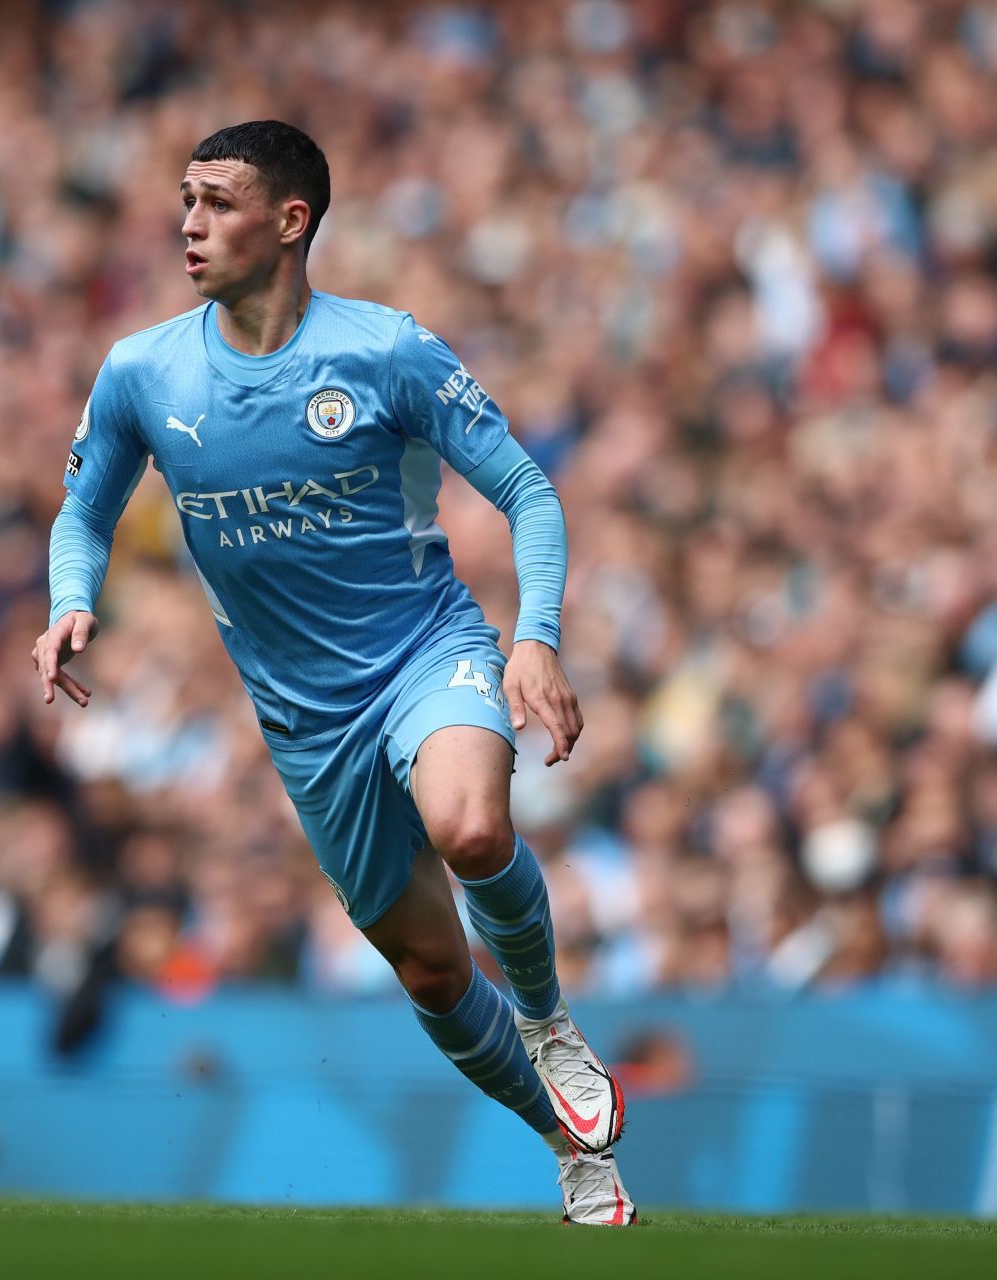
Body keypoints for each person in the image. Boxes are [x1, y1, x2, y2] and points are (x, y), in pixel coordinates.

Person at [31, 120, 633, 1225]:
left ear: (289, 221)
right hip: (306, 725)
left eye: (215, 201)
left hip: (425, 652)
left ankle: (550, 1021)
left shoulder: (387, 350)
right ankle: (567, 1143)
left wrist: (535, 634)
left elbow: (529, 493)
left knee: (474, 830)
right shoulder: (142, 370)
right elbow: (85, 512)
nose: (189, 222)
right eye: (185, 198)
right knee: (435, 977)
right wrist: (73, 599)